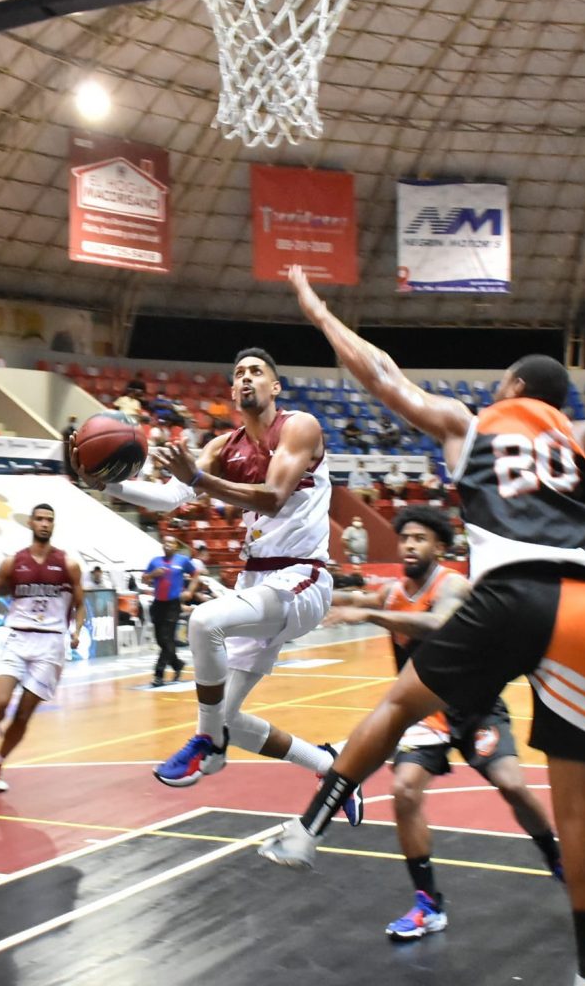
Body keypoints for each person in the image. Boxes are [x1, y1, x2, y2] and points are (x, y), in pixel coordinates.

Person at [256, 266, 585, 986]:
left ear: (516, 390)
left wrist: (319, 313)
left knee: (401, 702)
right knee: (580, 812)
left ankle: (308, 829)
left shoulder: (473, 423)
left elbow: (382, 375)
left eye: (502, 383)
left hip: (507, 595)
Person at [71, 348, 363, 822]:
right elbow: (169, 499)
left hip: (304, 577)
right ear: (232, 391)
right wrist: (104, 484)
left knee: (205, 621)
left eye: (256, 372)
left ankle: (207, 743)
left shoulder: (299, 426)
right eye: (239, 374)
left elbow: (271, 498)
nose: (246, 378)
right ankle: (328, 766)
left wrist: (202, 479)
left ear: (275, 387)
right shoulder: (222, 446)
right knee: (233, 719)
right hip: (260, 581)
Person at [325, 506, 563, 938]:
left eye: (420, 538)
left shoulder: (453, 584)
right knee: (404, 790)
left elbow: (438, 624)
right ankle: (428, 904)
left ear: (439, 546)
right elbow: (351, 599)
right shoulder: (393, 591)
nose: (409, 545)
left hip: (474, 706)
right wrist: (286, 596)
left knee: (511, 785)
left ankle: (554, 853)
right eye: (405, 539)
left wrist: (370, 615)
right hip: (425, 713)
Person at [0, 503, 85, 793]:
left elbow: (80, 605)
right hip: (18, 638)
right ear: (30, 523)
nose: (44, 524)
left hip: (50, 644)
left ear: (54, 525)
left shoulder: (69, 564)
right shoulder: (13, 562)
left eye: (49, 520)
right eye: (39, 519)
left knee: (23, 715)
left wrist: (77, 630)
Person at [144, 535, 200, 687]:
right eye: (165, 542)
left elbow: (196, 574)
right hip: (157, 604)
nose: (168, 545)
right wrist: (152, 575)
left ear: (176, 546)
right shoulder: (155, 561)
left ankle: (158, 674)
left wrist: (190, 591)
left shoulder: (182, 560)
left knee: (167, 638)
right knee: (161, 640)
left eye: (171, 542)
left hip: (173, 605)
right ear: (162, 545)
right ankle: (177, 664)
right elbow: (144, 579)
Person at [61, 416, 78, 483]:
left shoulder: (75, 430)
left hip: (72, 450)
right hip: (67, 450)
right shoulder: (67, 430)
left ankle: (74, 479)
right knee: (68, 465)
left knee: (73, 465)